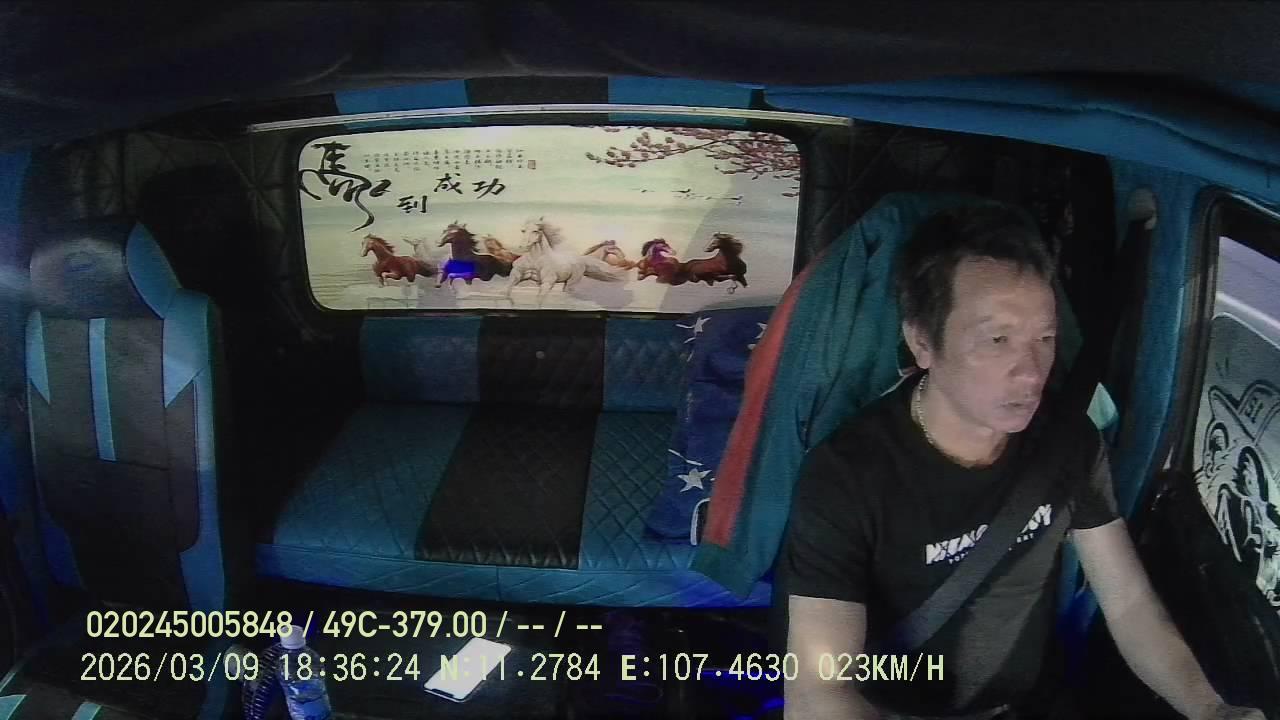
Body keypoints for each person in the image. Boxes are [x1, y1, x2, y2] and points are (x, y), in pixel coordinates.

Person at [778, 204, 1265, 720]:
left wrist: (1210, 708)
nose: (1031, 371)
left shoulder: (1066, 440)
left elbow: (1128, 601)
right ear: (922, 341)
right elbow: (818, 689)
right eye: (998, 339)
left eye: (1045, 339)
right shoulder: (848, 475)